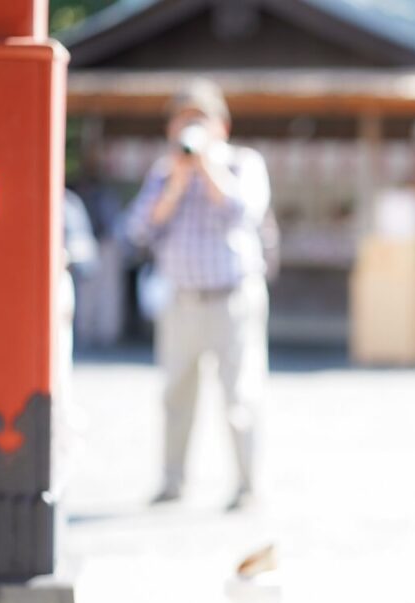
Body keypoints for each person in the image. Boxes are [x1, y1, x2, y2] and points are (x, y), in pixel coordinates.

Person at [124, 80, 271, 511]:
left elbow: (245, 212)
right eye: (182, 120)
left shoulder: (243, 163)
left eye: (198, 119)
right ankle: (172, 482)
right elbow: (137, 230)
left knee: (241, 396)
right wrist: (176, 183)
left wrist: (207, 168)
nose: (188, 128)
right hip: (181, 300)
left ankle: (247, 487)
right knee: (176, 395)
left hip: (232, 299)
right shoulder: (163, 172)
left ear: (221, 126)